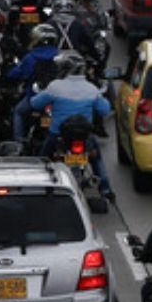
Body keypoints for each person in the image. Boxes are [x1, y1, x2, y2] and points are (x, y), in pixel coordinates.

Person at [27, 52, 114, 196]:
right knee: (96, 159)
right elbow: (105, 109)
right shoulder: (90, 89)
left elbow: (35, 103)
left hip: (57, 135)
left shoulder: (55, 87)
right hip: (85, 136)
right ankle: (105, 188)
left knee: (43, 159)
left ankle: (39, 184)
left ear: (65, 69)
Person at [8, 24, 64, 138]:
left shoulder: (30, 57)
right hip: (58, 99)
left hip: (34, 98)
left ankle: (19, 143)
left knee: (18, 112)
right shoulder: (61, 56)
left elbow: (14, 74)